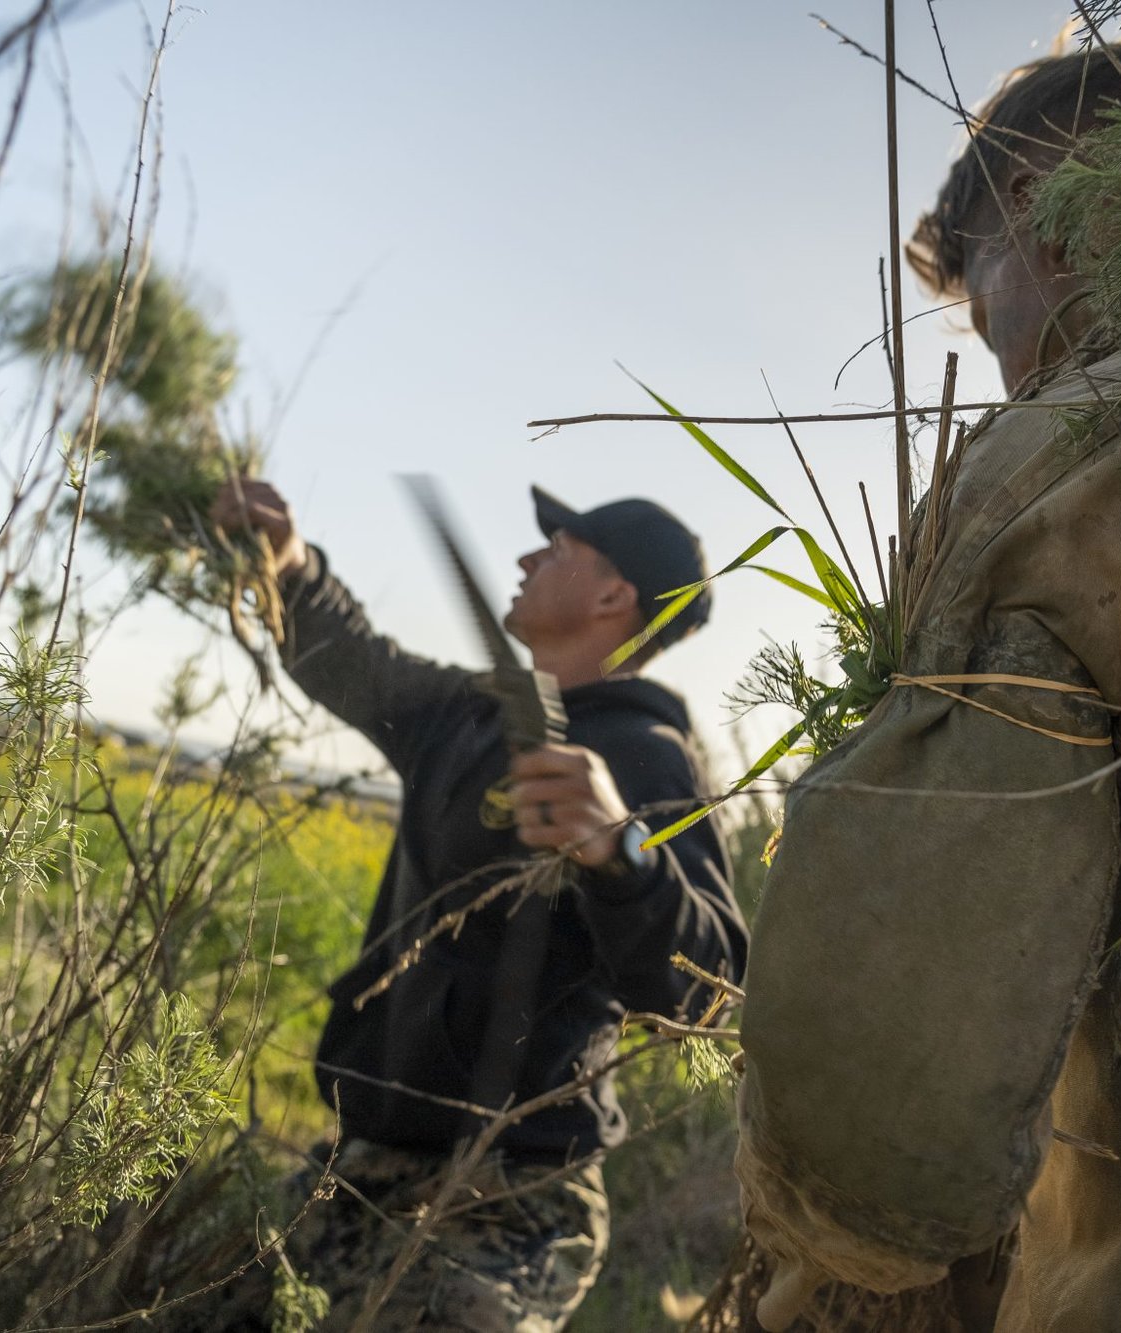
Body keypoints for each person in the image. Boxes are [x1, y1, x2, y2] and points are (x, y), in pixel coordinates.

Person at [730, 45, 1121, 1332]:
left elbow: (904, 1040)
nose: (992, 344)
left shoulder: (1067, 457)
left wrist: (807, 1257)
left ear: (1049, 224)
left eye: (980, 287)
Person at [209, 477, 748, 1331]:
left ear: (615, 596)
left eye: (561, 547)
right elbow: (359, 663)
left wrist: (623, 854)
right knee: (186, 1294)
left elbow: (708, 986)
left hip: (516, 1201)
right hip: (367, 1164)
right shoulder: (467, 714)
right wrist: (291, 565)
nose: (530, 556)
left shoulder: (647, 757)